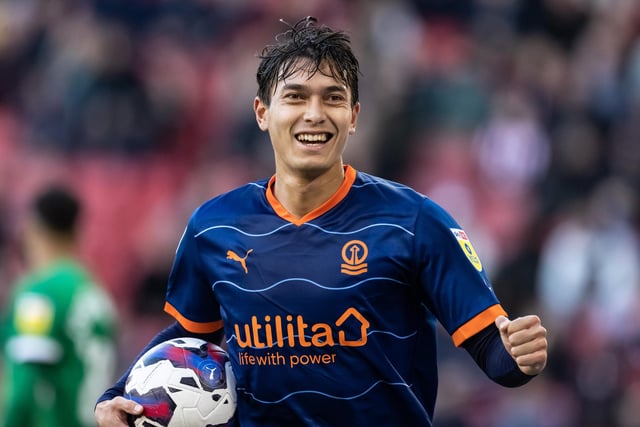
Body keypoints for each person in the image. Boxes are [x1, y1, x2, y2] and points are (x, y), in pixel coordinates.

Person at [95, 16, 547, 426]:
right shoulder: (214, 228)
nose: (314, 113)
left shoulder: (415, 222)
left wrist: (517, 355)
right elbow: (187, 337)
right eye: (295, 97)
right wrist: (119, 394)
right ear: (262, 113)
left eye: (332, 98)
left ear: (352, 117)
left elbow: (493, 350)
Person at [0, 185, 118, 427]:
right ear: (76, 232)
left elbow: (26, 385)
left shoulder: (40, 294)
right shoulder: (96, 292)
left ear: (33, 229)